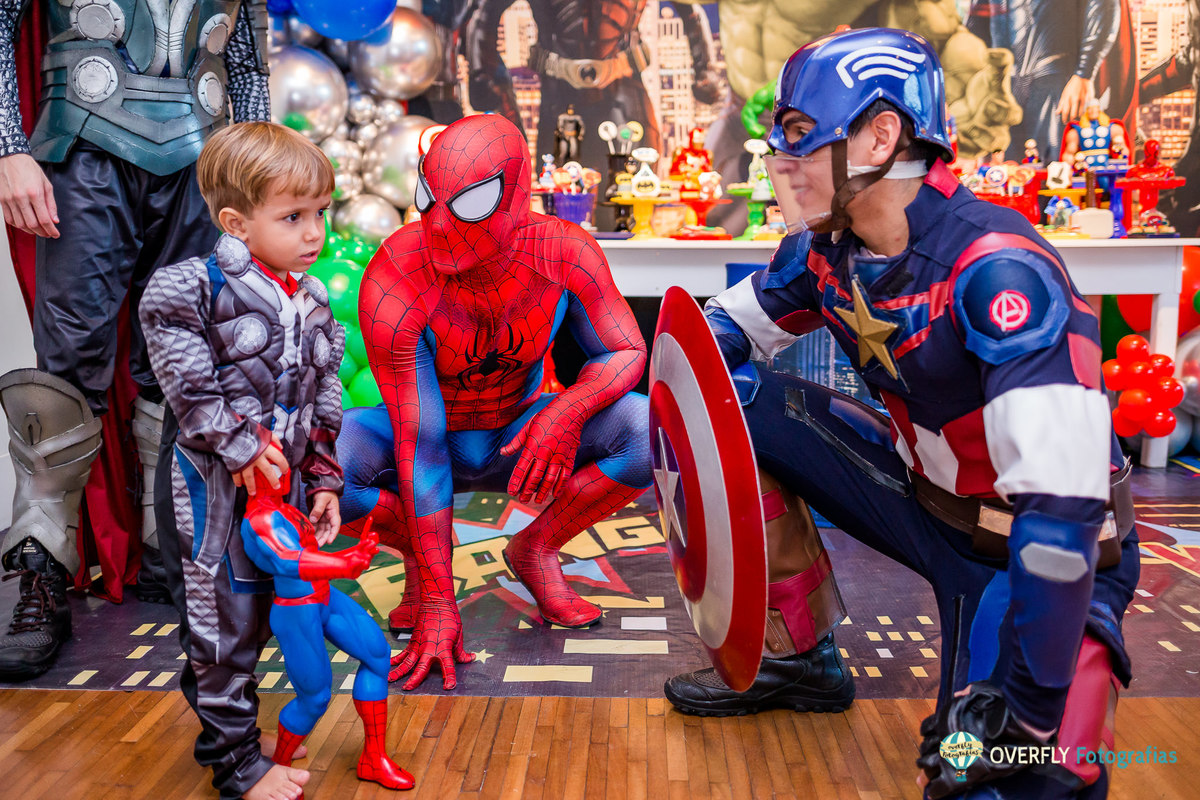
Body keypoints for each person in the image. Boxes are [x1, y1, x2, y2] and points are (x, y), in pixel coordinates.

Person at [664, 28, 1137, 798]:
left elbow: (1063, 513)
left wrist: (1027, 713)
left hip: (1033, 548)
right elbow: (716, 337)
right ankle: (797, 657)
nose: (781, 157)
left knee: (1003, 775)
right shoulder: (826, 248)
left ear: (881, 136)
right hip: (923, 502)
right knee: (732, 402)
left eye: (799, 132)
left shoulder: (999, 271)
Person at [0, 0, 271, 680]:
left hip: (205, 155)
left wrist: (258, 173)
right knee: (67, 368)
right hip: (84, 142)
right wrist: (7, 148)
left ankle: (171, 552)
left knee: (185, 355)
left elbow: (244, 57)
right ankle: (40, 568)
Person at [338, 113, 651, 691]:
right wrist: (439, 599)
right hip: (427, 436)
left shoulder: (564, 251)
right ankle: (422, 559)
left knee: (647, 429)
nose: (439, 225)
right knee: (328, 462)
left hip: (518, 431)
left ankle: (536, 548)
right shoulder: (396, 274)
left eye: (470, 203)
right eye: (427, 198)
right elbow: (421, 442)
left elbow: (626, 350)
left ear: (516, 197)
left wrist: (566, 410)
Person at [139, 122, 343, 800]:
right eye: (293, 217)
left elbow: (323, 395)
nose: (314, 232)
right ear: (236, 222)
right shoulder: (187, 289)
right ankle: (236, 766)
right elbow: (191, 391)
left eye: (320, 213)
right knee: (220, 626)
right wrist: (242, 443)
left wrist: (323, 478)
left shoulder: (311, 298)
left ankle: (249, 736)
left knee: (263, 617)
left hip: (281, 492)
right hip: (211, 491)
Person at [240, 471, 414, 791]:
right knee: (315, 699)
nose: (281, 469)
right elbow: (287, 560)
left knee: (377, 656)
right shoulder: (259, 519)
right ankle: (278, 768)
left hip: (324, 596)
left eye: (280, 459)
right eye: (270, 462)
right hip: (296, 611)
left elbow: (307, 552)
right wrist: (344, 564)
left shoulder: (285, 509)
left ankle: (374, 758)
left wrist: (348, 555)